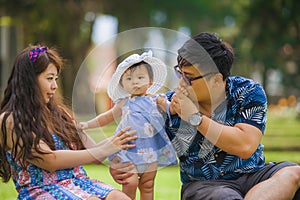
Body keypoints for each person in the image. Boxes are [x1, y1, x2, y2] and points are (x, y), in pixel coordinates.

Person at [110, 32, 300, 200]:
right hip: (205, 186)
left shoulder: (248, 91)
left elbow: (245, 145)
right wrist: (118, 162)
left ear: (217, 79)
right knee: (224, 197)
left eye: (189, 77)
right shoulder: (167, 105)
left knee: (293, 173)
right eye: (180, 73)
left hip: (254, 175)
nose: (181, 82)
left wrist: (194, 117)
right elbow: (137, 135)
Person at [0, 45, 138, 200]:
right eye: (49, 78)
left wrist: (120, 155)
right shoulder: (11, 120)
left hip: (79, 183)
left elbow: (95, 152)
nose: (55, 86)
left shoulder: (60, 114)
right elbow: (49, 160)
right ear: (29, 80)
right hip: (41, 190)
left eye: (56, 79)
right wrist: (105, 148)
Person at [79, 51, 177, 200]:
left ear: (150, 82)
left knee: (148, 184)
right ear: (122, 84)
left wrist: (176, 102)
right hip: (128, 150)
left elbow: (173, 109)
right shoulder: (124, 103)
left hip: (150, 150)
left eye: (140, 78)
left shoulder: (157, 100)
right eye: (129, 79)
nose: (135, 82)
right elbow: (106, 117)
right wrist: (87, 124)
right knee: (129, 182)